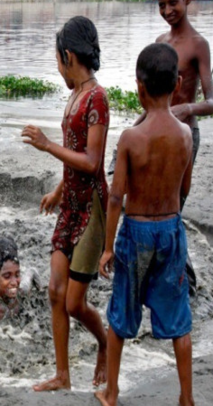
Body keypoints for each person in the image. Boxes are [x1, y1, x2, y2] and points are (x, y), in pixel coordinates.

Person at [95, 43, 194, 406]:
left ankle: (112, 391)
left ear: (138, 86)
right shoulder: (184, 135)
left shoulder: (131, 138)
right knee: (178, 318)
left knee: (121, 312)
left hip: (136, 232)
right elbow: (185, 187)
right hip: (170, 228)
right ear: (179, 83)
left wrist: (107, 248)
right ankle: (186, 398)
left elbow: (116, 198)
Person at [108, 0, 212, 295]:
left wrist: (186, 109)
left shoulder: (198, 45)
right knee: (151, 208)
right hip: (153, 136)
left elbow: (212, 100)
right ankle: (161, 277)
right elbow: (150, 104)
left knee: (172, 209)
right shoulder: (160, 43)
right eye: (161, 4)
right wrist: (130, 132)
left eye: (173, 3)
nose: (167, 11)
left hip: (184, 137)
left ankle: (187, 282)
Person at [21, 16, 109, 391]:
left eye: (59, 61)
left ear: (68, 56)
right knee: (54, 291)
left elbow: (91, 162)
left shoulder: (97, 98)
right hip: (69, 205)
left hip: (92, 210)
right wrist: (58, 191)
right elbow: (75, 156)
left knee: (75, 303)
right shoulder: (74, 95)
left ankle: (105, 344)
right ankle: (63, 375)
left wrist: (46, 145)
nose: (59, 70)